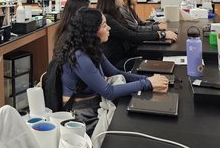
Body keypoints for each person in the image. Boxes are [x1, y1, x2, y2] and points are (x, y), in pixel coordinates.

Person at [54, 7, 169, 137]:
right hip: (83, 113)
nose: (109, 28)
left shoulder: (91, 47)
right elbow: (108, 91)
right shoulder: (80, 56)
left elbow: (115, 72)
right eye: (104, 25)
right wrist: (147, 83)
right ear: (91, 32)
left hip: (94, 101)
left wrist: (148, 78)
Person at [96, 0, 177, 69]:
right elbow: (130, 34)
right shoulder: (108, 18)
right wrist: (160, 34)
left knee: (158, 54)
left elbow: (133, 30)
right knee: (156, 61)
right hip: (117, 60)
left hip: (126, 52)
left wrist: (159, 33)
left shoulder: (117, 14)